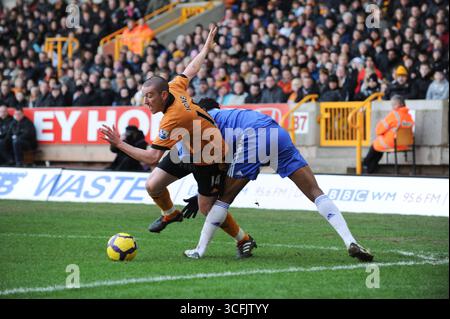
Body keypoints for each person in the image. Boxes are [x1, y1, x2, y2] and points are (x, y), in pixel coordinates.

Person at [100, 25, 255, 258]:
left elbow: (153, 157)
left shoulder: (173, 118)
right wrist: (205, 48)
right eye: (144, 96)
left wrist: (120, 144)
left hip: (211, 157)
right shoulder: (173, 86)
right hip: (188, 149)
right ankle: (170, 213)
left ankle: (244, 240)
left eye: (149, 96)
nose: (146, 101)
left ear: (163, 95)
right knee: (153, 186)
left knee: (207, 209)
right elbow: (190, 69)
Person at [182, 98, 374, 262]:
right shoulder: (233, 114)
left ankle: (199, 250)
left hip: (254, 136)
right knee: (315, 192)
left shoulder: (206, 119)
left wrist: (206, 189)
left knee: (224, 199)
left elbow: (215, 160)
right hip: (275, 131)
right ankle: (350, 240)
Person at [362, 95, 414, 174]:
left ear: (399, 104)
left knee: (375, 145)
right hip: (405, 144)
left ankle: (366, 164)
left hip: (393, 143)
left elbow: (379, 130)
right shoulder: (409, 116)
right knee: (378, 148)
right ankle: (371, 167)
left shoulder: (394, 115)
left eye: (393, 104)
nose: (392, 107)